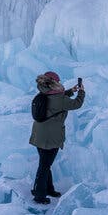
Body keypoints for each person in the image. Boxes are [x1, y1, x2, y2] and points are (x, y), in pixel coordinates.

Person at [29, 71, 85, 204]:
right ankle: (39, 195)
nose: (60, 83)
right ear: (54, 83)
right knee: (44, 166)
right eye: (58, 81)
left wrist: (71, 90)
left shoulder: (43, 92)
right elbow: (76, 104)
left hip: (39, 134)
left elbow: (58, 99)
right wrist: (81, 92)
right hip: (50, 137)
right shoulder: (59, 100)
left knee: (45, 164)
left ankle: (48, 189)